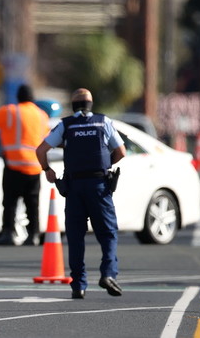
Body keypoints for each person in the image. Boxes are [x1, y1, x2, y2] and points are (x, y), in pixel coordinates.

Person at [35, 88, 126, 300]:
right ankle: (108, 274)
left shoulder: (66, 125)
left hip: (74, 187)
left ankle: (78, 285)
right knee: (108, 232)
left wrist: (47, 170)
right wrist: (105, 165)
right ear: (90, 104)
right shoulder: (103, 122)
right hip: (99, 186)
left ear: (74, 105)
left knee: (76, 238)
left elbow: (40, 150)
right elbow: (121, 151)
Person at [0, 84, 49, 246]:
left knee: (10, 202)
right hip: (35, 167)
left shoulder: (10, 112)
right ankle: (34, 235)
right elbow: (47, 138)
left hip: (14, 165)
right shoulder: (42, 115)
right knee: (33, 203)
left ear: (18, 97)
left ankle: (8, 233)